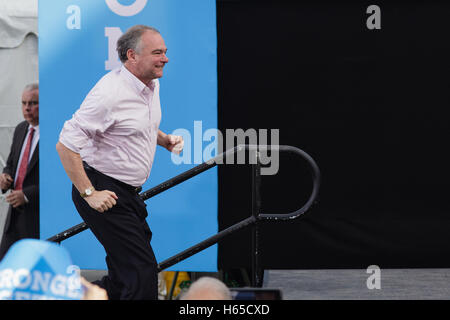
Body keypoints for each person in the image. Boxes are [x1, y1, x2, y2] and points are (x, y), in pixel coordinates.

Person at [56, 25, 183, 300]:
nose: (165, 58)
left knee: (125, 275)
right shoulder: (109, 94)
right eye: (157, 52)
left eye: (165, 52)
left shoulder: (151, 83)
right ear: (132, 56)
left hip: (127, 194)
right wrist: (89, 193)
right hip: (104, 189)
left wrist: (163, 139)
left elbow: (134, 124)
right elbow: (65, 145)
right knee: (141, 271)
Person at [0, 83, 39, 261]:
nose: (27, 108)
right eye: (23, 103)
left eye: (32, 103)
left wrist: (27, 194)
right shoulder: (21, 129)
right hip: (14, 215)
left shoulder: (54, 132)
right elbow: (11, 164)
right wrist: (6, 177)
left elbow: (57, 178)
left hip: (37, 216)